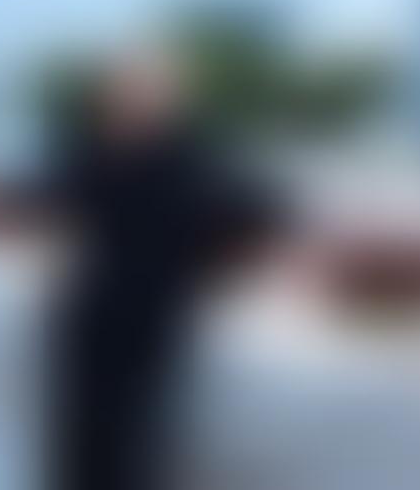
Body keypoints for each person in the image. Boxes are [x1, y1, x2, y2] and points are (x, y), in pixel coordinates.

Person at [37, 50, 289, 490]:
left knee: (139, 439)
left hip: (157, 317)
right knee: (80, 436)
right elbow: (44, 194)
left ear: (171, 101)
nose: (132, 102)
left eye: (146, 92)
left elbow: (257, 210)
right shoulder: (94, 153)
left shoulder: (194, 157)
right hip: (94, 313)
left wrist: (219, 263)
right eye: (123, 92)